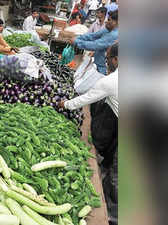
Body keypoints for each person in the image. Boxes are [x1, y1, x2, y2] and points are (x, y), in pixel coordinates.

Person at [59, 41, 118, 225]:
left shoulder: (110, 81)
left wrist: (65, 104)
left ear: (117, 59)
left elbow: (85, 98)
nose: (107, 61)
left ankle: (114, 214)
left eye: (108, 58)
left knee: (119, 173)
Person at [69, 10, 118, 75]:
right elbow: (92, 36)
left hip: (103, 68)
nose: (106, 21)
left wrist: (76, 42)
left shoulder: (114, 34)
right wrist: (78, 38)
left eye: (109, 20)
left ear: (116, 22)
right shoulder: (108, 30)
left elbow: (95, 45)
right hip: (98, 64)